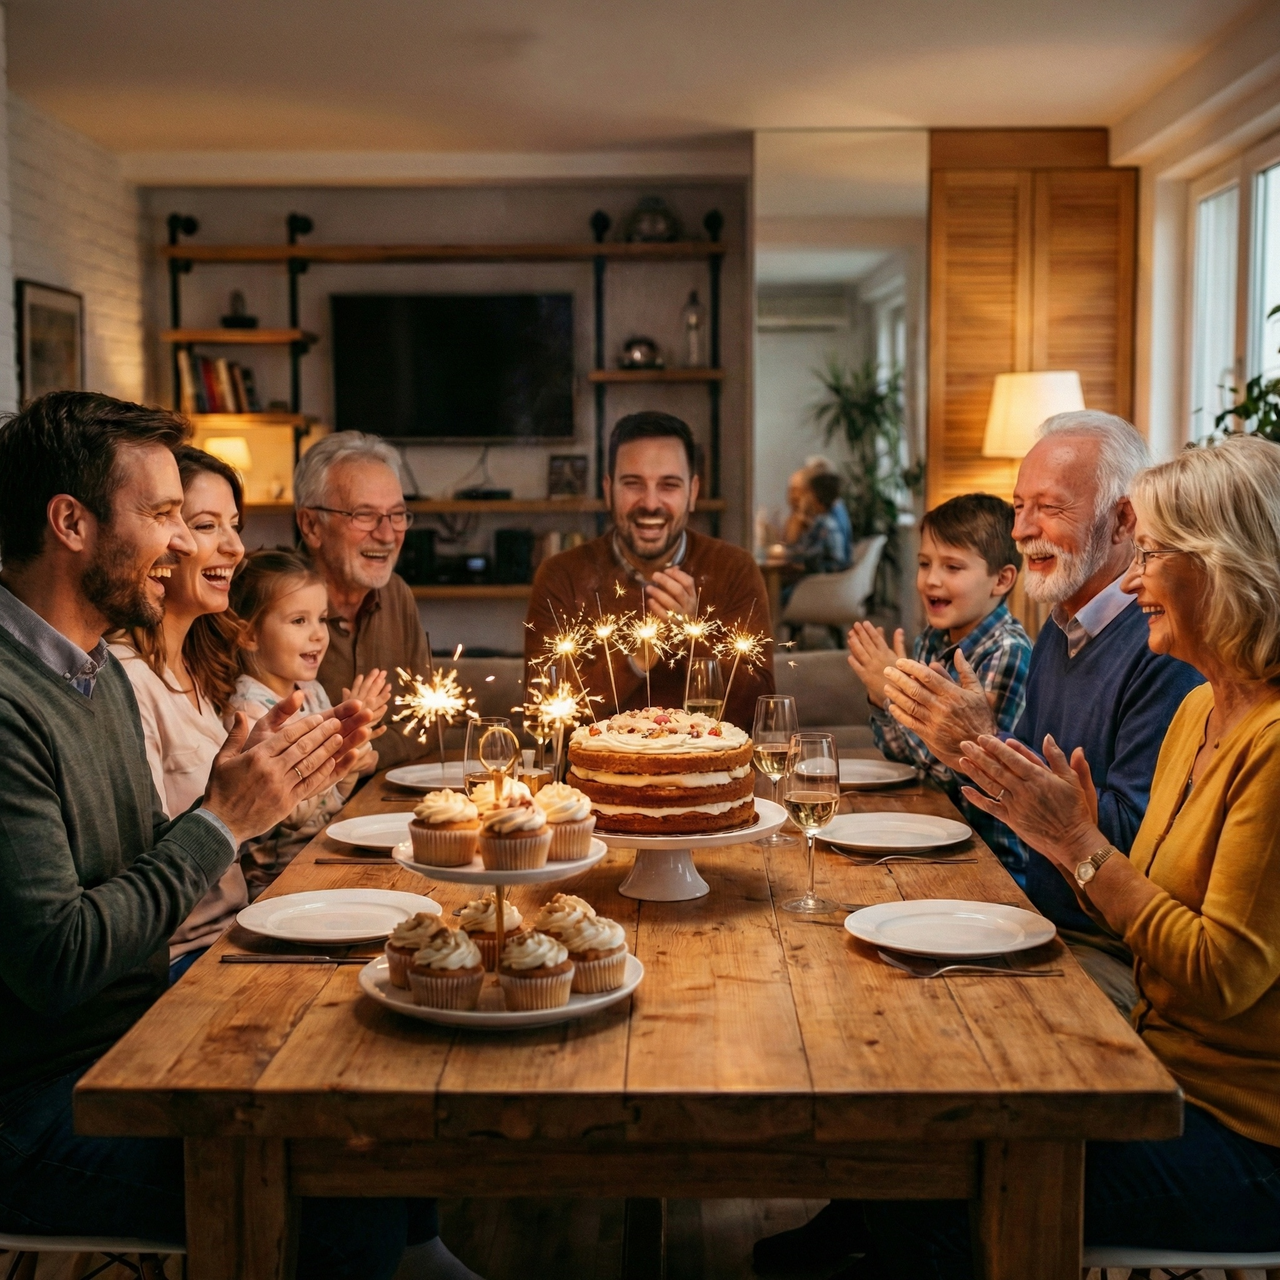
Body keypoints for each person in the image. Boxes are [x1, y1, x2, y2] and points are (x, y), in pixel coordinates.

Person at [0, 392, 478, 1280]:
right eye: (163, 516)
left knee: (374, 1032)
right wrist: (225, 820)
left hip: (143, 1018)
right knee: (341, 1156)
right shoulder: (12, 702)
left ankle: (415, 1256)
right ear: (70, 522)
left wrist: (255, 790)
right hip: (41, 1110)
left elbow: (144, 865)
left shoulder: (94, 666)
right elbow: (57, 959)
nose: (183, 545)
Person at [813, 434, 1280, 1278]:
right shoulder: (1201, 712)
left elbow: (1216, 972)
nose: (1136, 578)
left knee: (933, 1189)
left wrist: (1078, 845)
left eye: (1156, 554)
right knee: (918, 1112)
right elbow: (1123, 881)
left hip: (1246, 1137)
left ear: (1225, 568)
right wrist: (1068, 839)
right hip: (1161, 1061)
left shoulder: (1272, 745)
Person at [879, 411, 1203, 1009]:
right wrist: (968, 749)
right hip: (1036, 910)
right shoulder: (1061, 623)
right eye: (1018, 505)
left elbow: (1134, 845)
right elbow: (1019, 815)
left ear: (1123, 520)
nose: (1022, 528)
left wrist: (984, 744)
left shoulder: (1164, 645)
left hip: (1112, 951)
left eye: (1049, 508)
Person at [525, 411, 775, 728]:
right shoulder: (561, 576)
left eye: (669, 485)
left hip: (708, 773)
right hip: (595, 775)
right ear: (608, 490)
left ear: (693, 493)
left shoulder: (734, 570)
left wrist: (691, 638)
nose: (651, 503)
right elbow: (542, 715)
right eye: (633, 484)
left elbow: (763, 713)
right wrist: (637, 658)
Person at [108, 445, 250, 981]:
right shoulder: (125, 678)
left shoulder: (199, 667)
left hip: (234, 932)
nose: (234, 548)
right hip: (183, 963)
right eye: (206, 524)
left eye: (233, 525)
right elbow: (139, 871)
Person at [845, 493, 1031, 874]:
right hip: (935, 831)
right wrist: (884, 701)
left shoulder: (1007, 652)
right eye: (925, 563)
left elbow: (961, 771)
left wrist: (894, 694)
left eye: (953, 567)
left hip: (990, 857)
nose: (931, 579)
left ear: (1001, 579)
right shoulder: (933, 639)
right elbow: (903, 754)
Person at [229, 548, 389, 897]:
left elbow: (329, 799)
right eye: (299, 621)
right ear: (249, 635)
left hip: (321, 856)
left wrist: (350, 755)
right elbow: (291, 815)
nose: (318, 634)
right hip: (280, 884)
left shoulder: (313, 692)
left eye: (322, 618)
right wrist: (341, 754)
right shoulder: (249, 712)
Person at [294, 431, 432, 770]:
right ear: (311, 525)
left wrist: (366, 755)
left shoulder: (397, 594)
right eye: (364, 515)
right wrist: (352, 749)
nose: (387, 535)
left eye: (397, 515)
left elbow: (428, 721)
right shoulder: (270, 597)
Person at [788, 471, 851, 575]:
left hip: (822, 582)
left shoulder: (826, 525)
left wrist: (789, 555)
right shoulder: (829, 519)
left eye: (808, 493)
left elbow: (811, 554)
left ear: (817, 496)